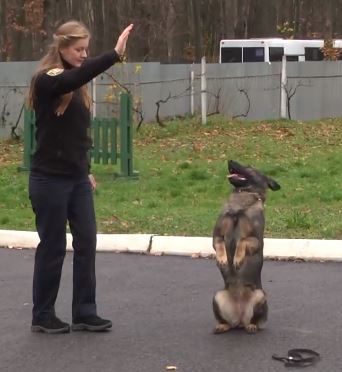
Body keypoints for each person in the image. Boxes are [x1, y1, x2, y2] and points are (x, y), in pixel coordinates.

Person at [27, 20, 133, 334]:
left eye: (87, 49)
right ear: (61, 48)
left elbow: (76, 136)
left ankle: (85, 311)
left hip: (75, 180)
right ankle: (42, 314)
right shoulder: (47, 80)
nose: (84, 55)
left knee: (86, 241)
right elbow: (73, 78)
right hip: (48, 180)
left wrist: (85, 170)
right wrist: (113, 54)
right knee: (54, 246)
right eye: (78, 49)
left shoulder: (75, 85)